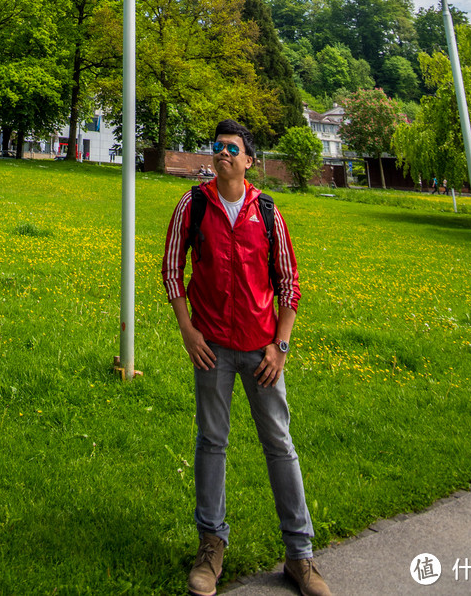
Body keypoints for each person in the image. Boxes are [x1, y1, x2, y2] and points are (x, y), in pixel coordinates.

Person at [162, 119, 332, 596]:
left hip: (261, 352)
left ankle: (300, 557)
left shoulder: (268, 211)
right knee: (212, 441)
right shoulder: (194, 204)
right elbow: (172, 268)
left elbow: (288, 283)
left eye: (231, 148)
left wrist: (280, 346)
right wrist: (188, 329)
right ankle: (211, 547)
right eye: (216, 147)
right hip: (211, 347)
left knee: (279, 443)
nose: (222, 154)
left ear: (249, 160)